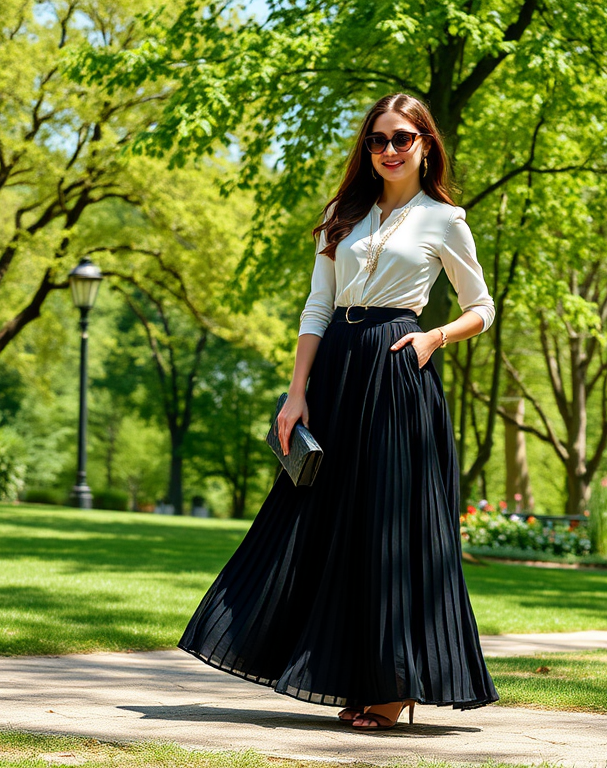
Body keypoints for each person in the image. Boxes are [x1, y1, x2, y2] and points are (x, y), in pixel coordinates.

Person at [178, 92, 500, 731]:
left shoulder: (445, 219)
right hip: (335, 375)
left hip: (396, 372)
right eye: (377, 140)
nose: (388, 150)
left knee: (386, 530)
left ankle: (390, 685)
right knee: (325, 526)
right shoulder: (341, 214)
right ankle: (349, 672)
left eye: (402, 138)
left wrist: (436, 337)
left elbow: (482, 307)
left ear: (425, 145)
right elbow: (316, 309)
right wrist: (297, 394)